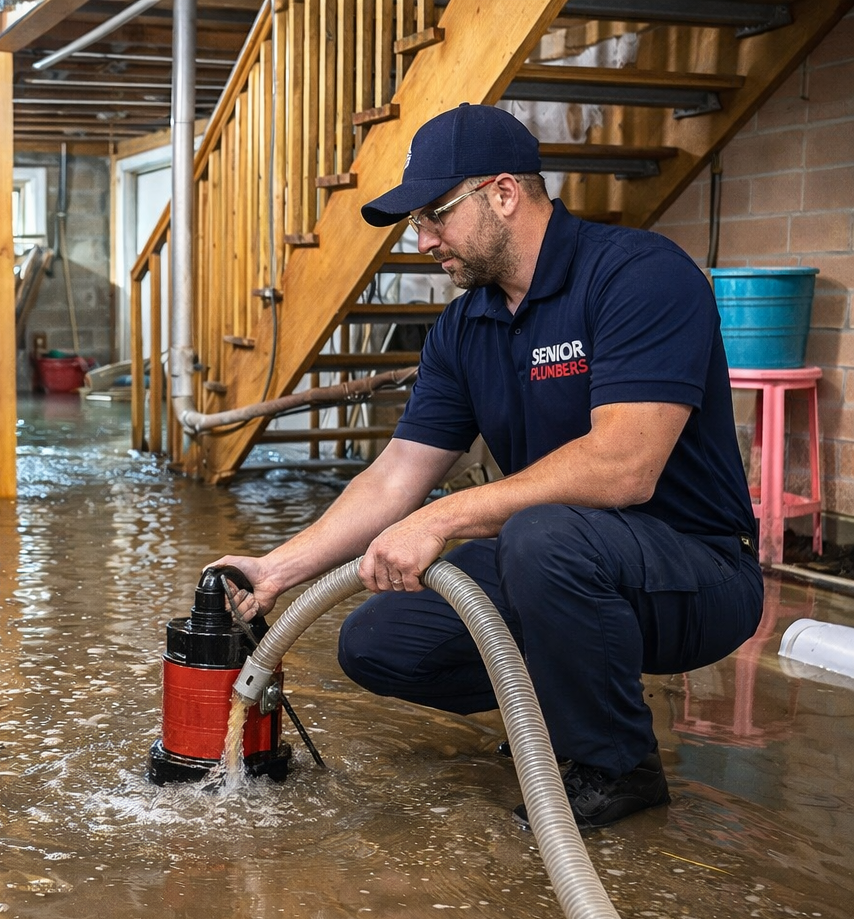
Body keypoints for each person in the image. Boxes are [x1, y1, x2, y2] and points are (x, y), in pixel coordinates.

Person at [214, 103, 764, 829]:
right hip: (560, 560)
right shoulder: (463, 326)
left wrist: (442, 517)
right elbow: (395, 475)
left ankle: (615, 765)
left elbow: (625, 465)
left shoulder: (637, 274)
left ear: (503, 193)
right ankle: (564, 709)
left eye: (435, 214)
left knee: (542, 537)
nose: (422, 239)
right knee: (378, 643)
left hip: (695, 572)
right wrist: (279, 569)